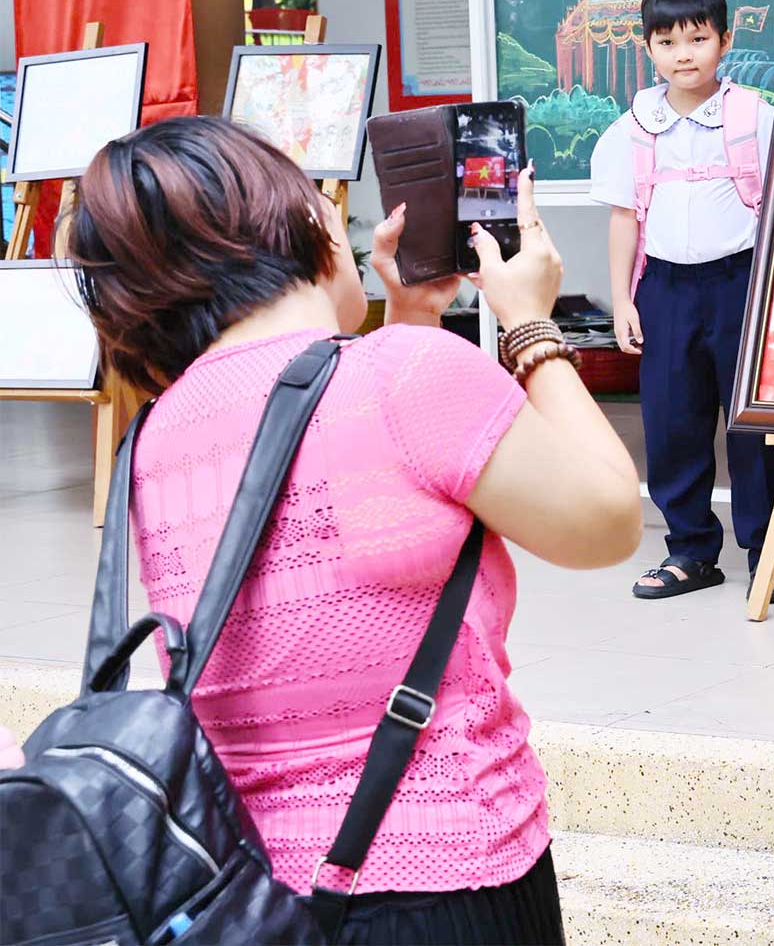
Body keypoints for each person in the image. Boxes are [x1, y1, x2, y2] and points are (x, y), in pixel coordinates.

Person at [66, 116, 642, 944]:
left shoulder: (154, 434)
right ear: (305, 227)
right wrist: (529, 327)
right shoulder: (405, 377)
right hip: (450, 874)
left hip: (247, 895)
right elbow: (607, 520)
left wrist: (408, 316)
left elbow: (362, 531)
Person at [589, 0, 774, 602]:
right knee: (672, 422)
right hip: (665, 291)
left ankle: (771, 554)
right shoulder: (631, 128)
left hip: (742, 285)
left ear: (724, 41)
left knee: (753, 428)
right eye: (668, 41)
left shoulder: (755, 118)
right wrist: (624, 298)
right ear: (648, 49)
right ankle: (690, 552)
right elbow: (624, 217)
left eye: (699, 39)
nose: (685, 54)